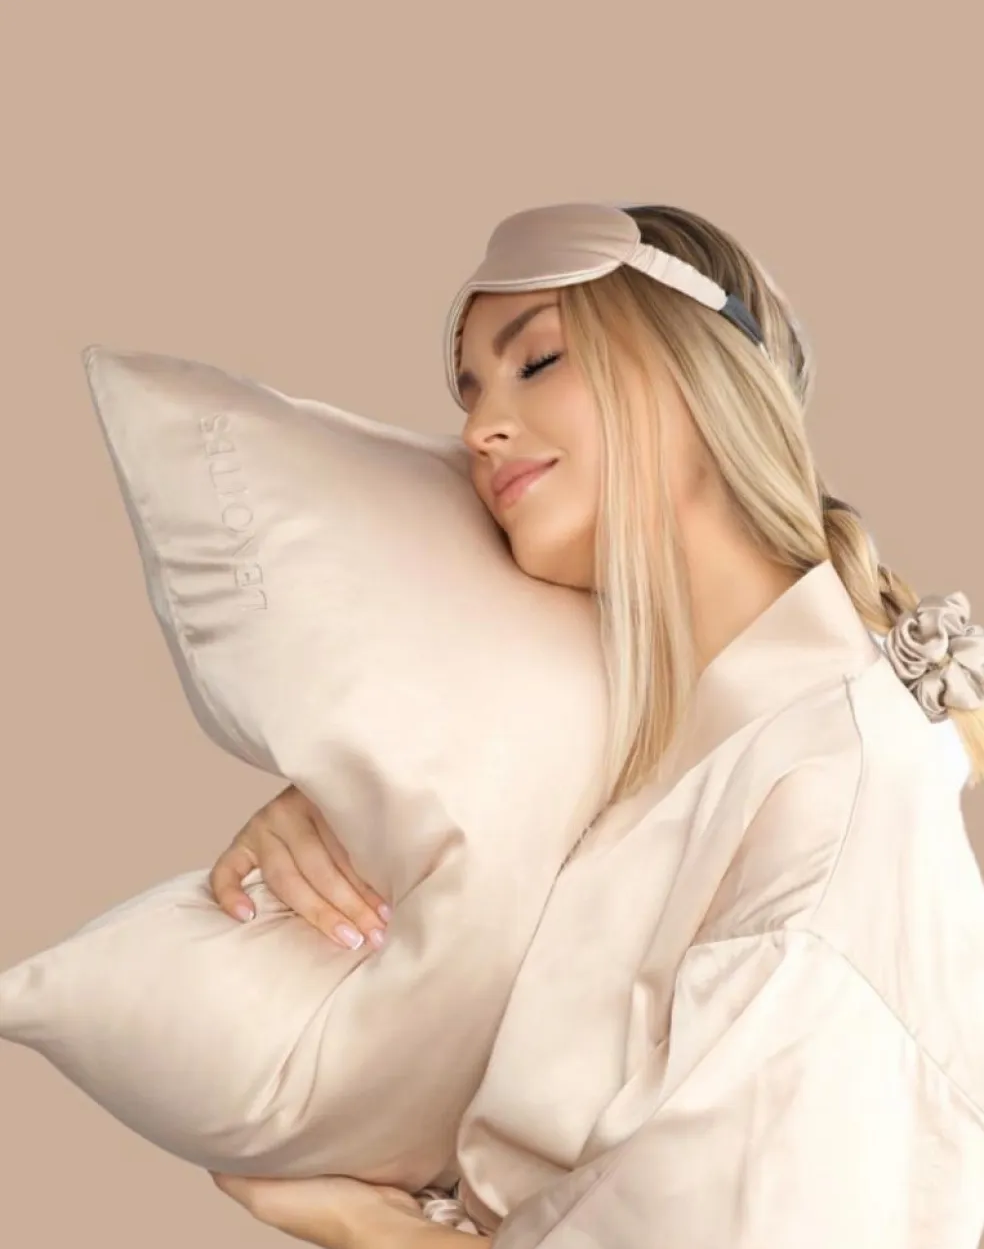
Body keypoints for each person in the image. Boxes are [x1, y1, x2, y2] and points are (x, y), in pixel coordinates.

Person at [208, 202, 984, 1248]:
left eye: (537, 362)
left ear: (696, 377)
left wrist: (375, 1230)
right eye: (469, 392)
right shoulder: (603, 751)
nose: (479, 429)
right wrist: (346, 831)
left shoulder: (834, 783)